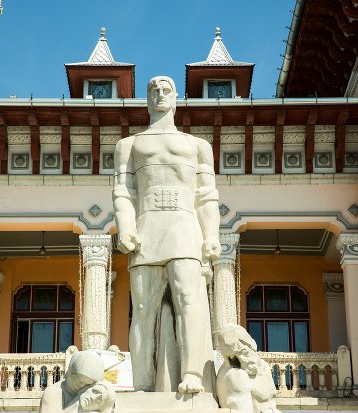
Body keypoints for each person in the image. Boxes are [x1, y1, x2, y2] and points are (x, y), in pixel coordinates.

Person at [113, 76, 221, 394]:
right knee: (143, 308)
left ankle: (192, 374)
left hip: (184, 227)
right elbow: (123, 191)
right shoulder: (128, 146)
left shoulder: (198, 146)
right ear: (146, 100)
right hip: (147, 228)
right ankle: (143, 381)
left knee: (190, 301)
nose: (159, 94)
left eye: (166, 90)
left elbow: (206, 195)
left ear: (176, 98)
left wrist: (211, 235)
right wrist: (126, 226)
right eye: (153, 90)